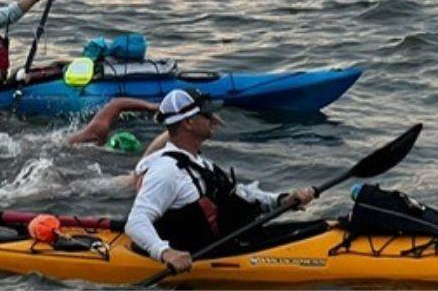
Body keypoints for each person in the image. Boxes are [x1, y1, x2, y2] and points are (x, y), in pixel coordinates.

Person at [124, 89, 318, 273]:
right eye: (207, 115)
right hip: (202, 257)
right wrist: (164, 252)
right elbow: (136, 221)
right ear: (189, 123)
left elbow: (237, 195)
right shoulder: (167, 171)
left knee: (318, 228)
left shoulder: (200, 162)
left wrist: (281, 200)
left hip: (231, 244)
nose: (214, 119)